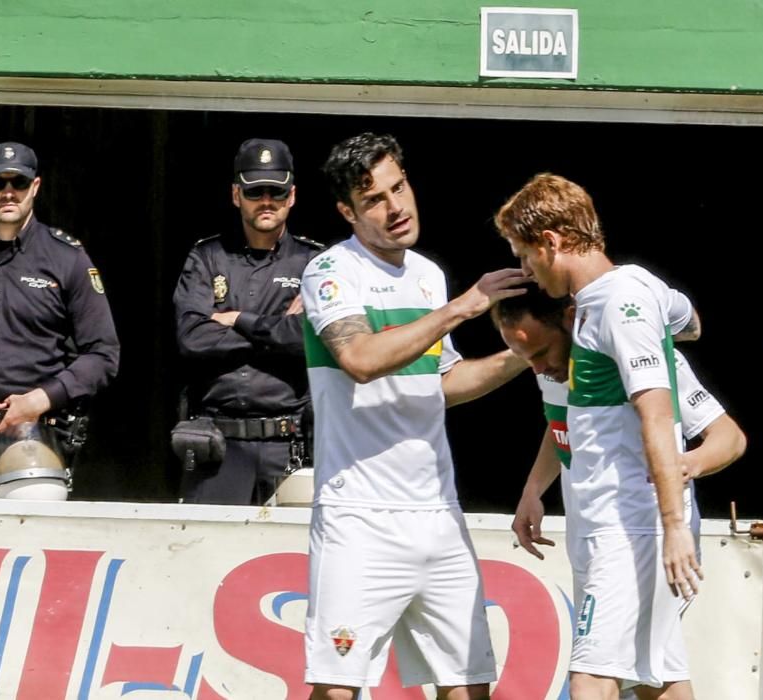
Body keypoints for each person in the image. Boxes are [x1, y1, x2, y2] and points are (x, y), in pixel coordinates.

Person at [300, 132, 528, 700]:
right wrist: (461, 308)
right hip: (361, 515)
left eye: (398, 187)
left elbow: (444, 383)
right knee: (336, 690)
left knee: (469, 687)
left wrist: (529, 352)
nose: (395, 206)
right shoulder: (330, 272)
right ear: (347, 212)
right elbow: (359, 359)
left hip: (438, 513)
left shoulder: (428, 274)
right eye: (374, 199)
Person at [495, 173, 705, 700]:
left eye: (525, 256)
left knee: (590, 675)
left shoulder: (620, 300)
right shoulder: (614, 297)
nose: (527, 271)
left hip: (630, 524)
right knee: (657, 678)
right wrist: (532, 490)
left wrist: (674, 525)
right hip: (612, 523)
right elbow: (691, 322)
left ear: (553, 241)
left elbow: (657, 414)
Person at [491, 286, 746, 566]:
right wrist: (532, 490)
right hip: (587, 540)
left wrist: (684, 465)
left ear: (570, 322)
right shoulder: (552, 370)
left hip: (645, 538)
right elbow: (563, 427)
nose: (538, 368)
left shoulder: (639, 361)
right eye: (528, 358)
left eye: (542, 352)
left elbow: (729, 437)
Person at [173, 138, 323, 505]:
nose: (267, 200)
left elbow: (312, 339)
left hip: (291, 445)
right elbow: (192, 337)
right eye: (256, 192)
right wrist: (277, 329)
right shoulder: (208, 256)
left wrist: (238, 320)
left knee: (294, 559)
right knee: (205, 556)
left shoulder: (315, 262)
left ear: (292, 196)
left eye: (276, 191)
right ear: (237, 195)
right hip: (218, 447)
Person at [0, 141, 120, 494]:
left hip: (36, 437)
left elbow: (103, 354)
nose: (8, 193)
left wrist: (40, 399)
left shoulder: (67, 258)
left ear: (35, 187)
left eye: (19, 183)